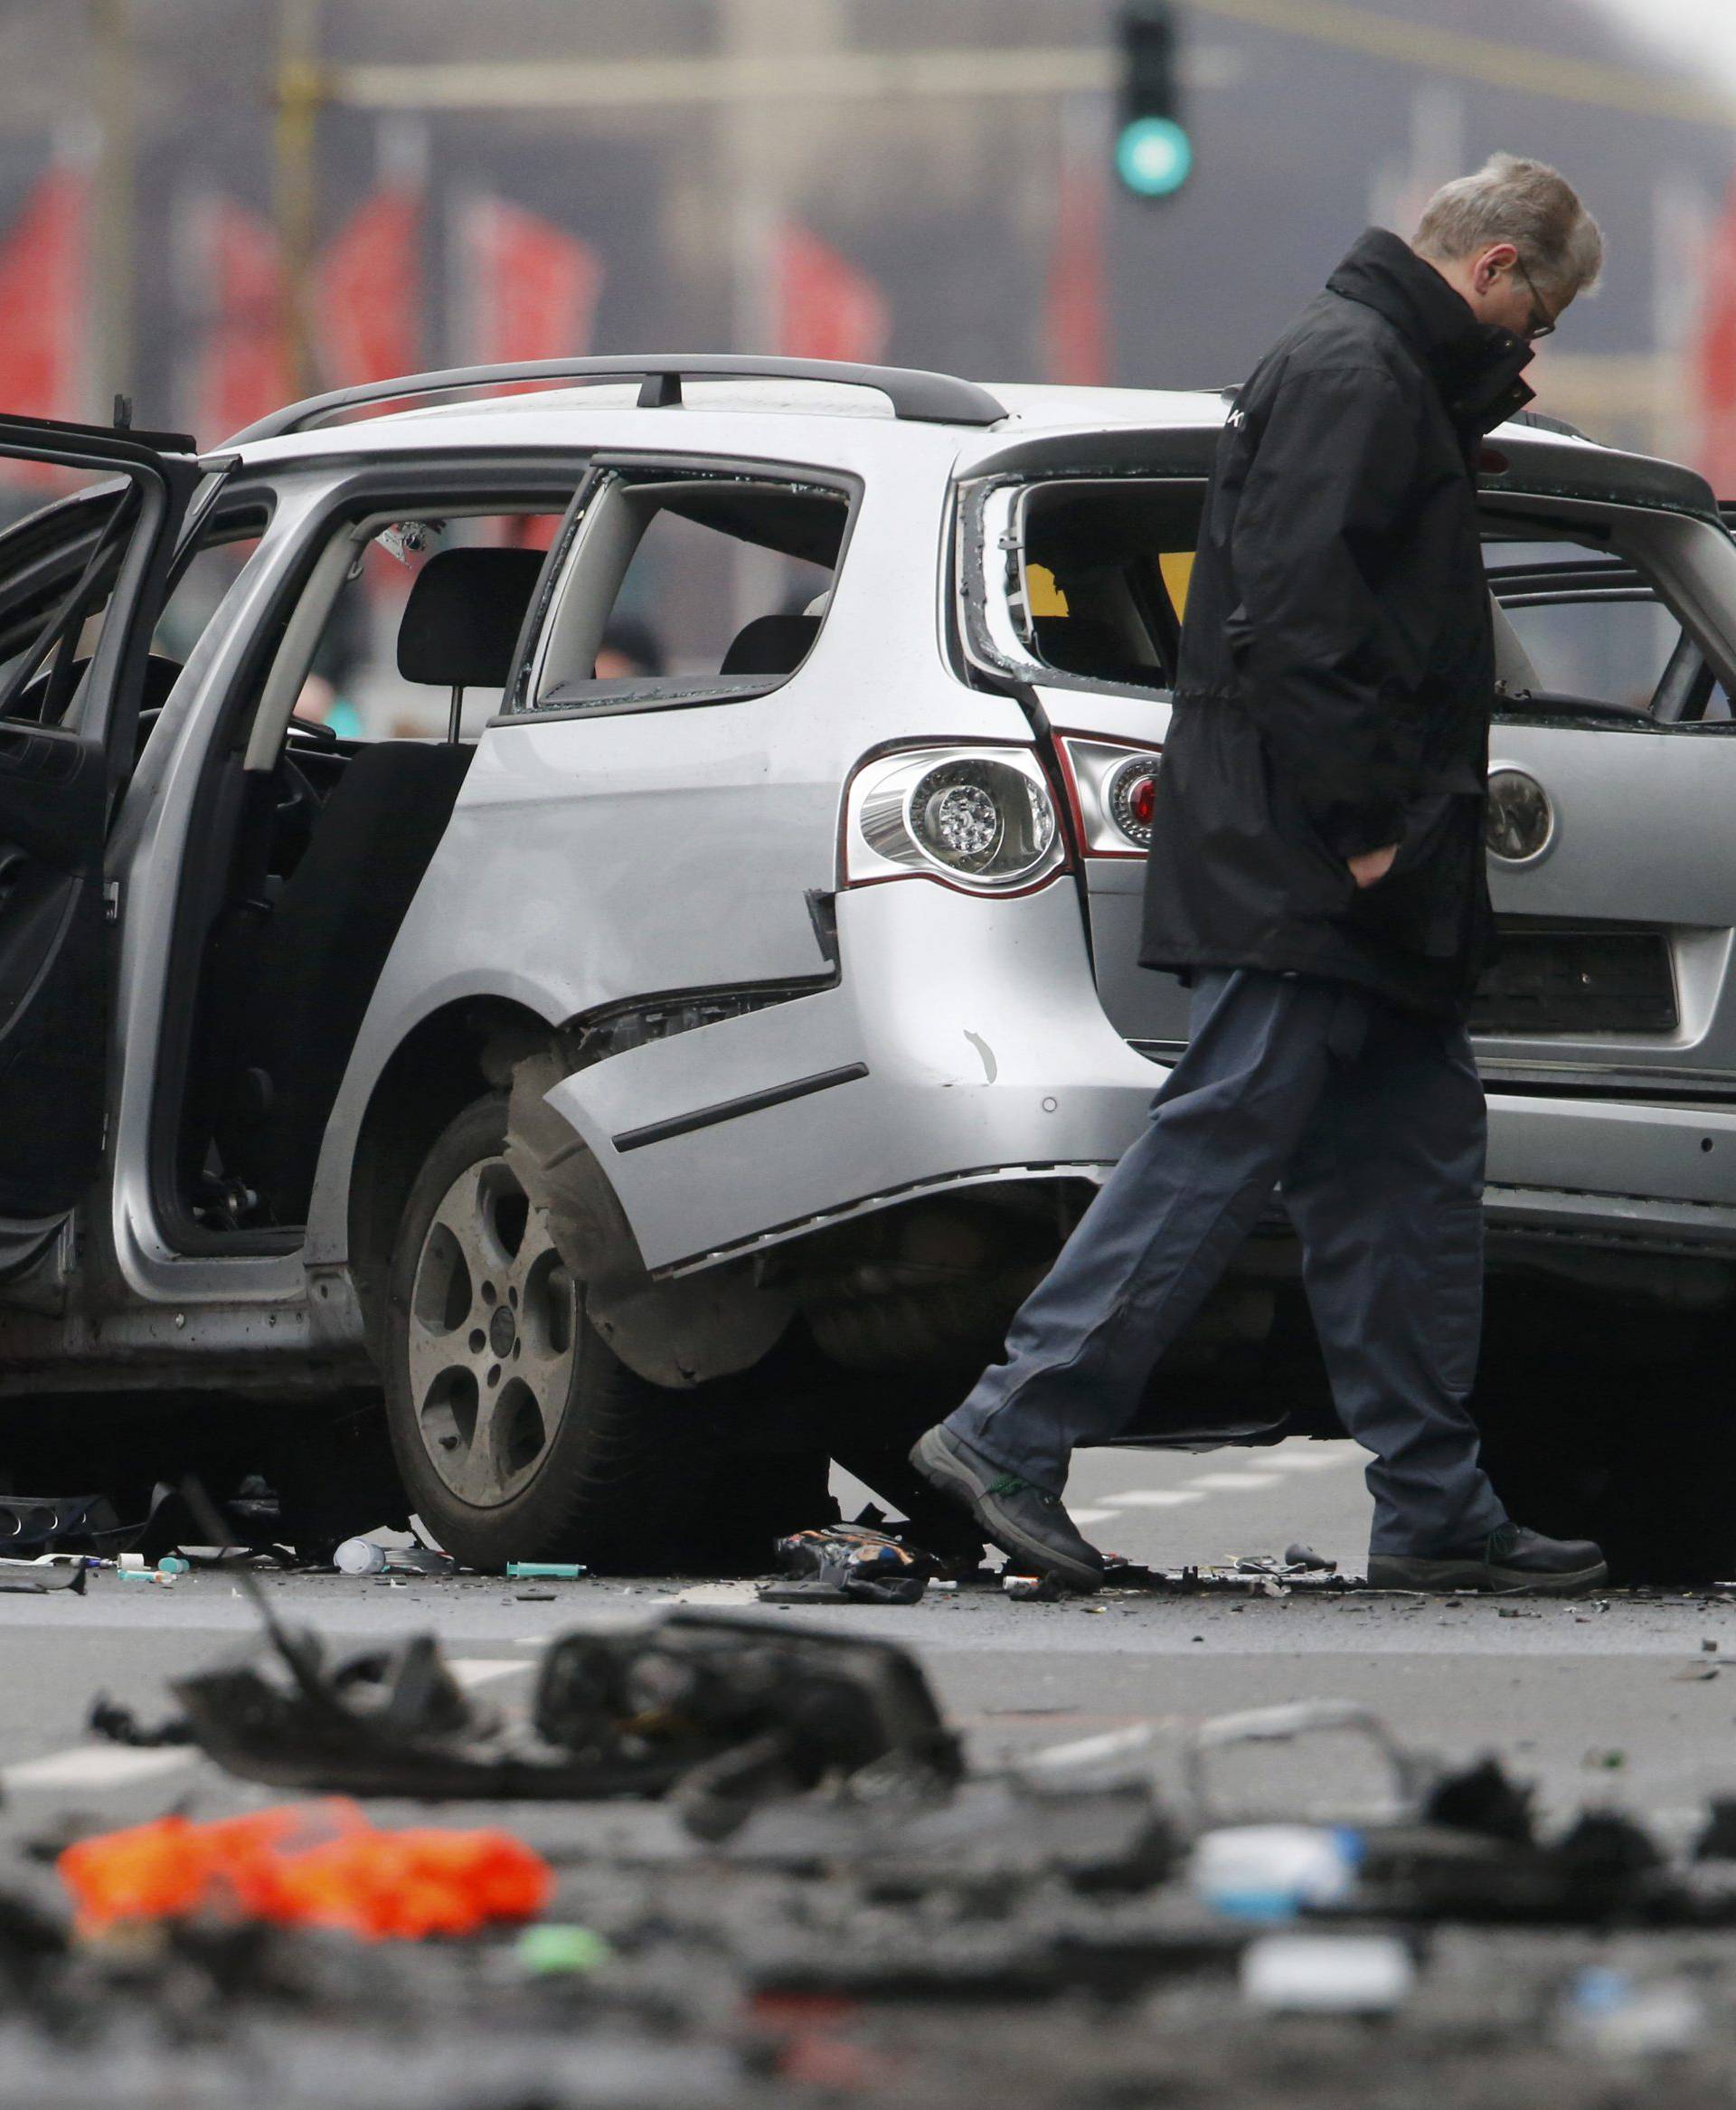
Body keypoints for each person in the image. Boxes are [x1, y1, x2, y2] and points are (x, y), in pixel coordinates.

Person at [912, 155, 1610, 1598]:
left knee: (1409, 1173)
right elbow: (1298, 613)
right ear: (1491, 271)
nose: (1529, 348)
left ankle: (1431, 1501)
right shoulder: (1353, 372)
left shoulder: (1381, 373)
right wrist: (1362, 821)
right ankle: (1008, 1430)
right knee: (1223, 1138)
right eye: (1534, 317)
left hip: (1370, 864)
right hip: (1320, 855)